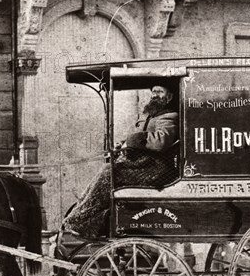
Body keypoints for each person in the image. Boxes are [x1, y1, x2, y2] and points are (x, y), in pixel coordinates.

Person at [62, 84, 179, 239]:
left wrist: (131, 140)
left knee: (108, 173)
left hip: (154, 169)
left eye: (160, 91)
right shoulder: (148, 115)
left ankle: (82, 220)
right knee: (107, 169)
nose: (155, 95)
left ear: (169, 97)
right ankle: (81, 216)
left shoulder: (169, 116)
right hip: (142, 165)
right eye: (153, 92)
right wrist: (123, 143)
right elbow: (141, 139)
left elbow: (161, 141)